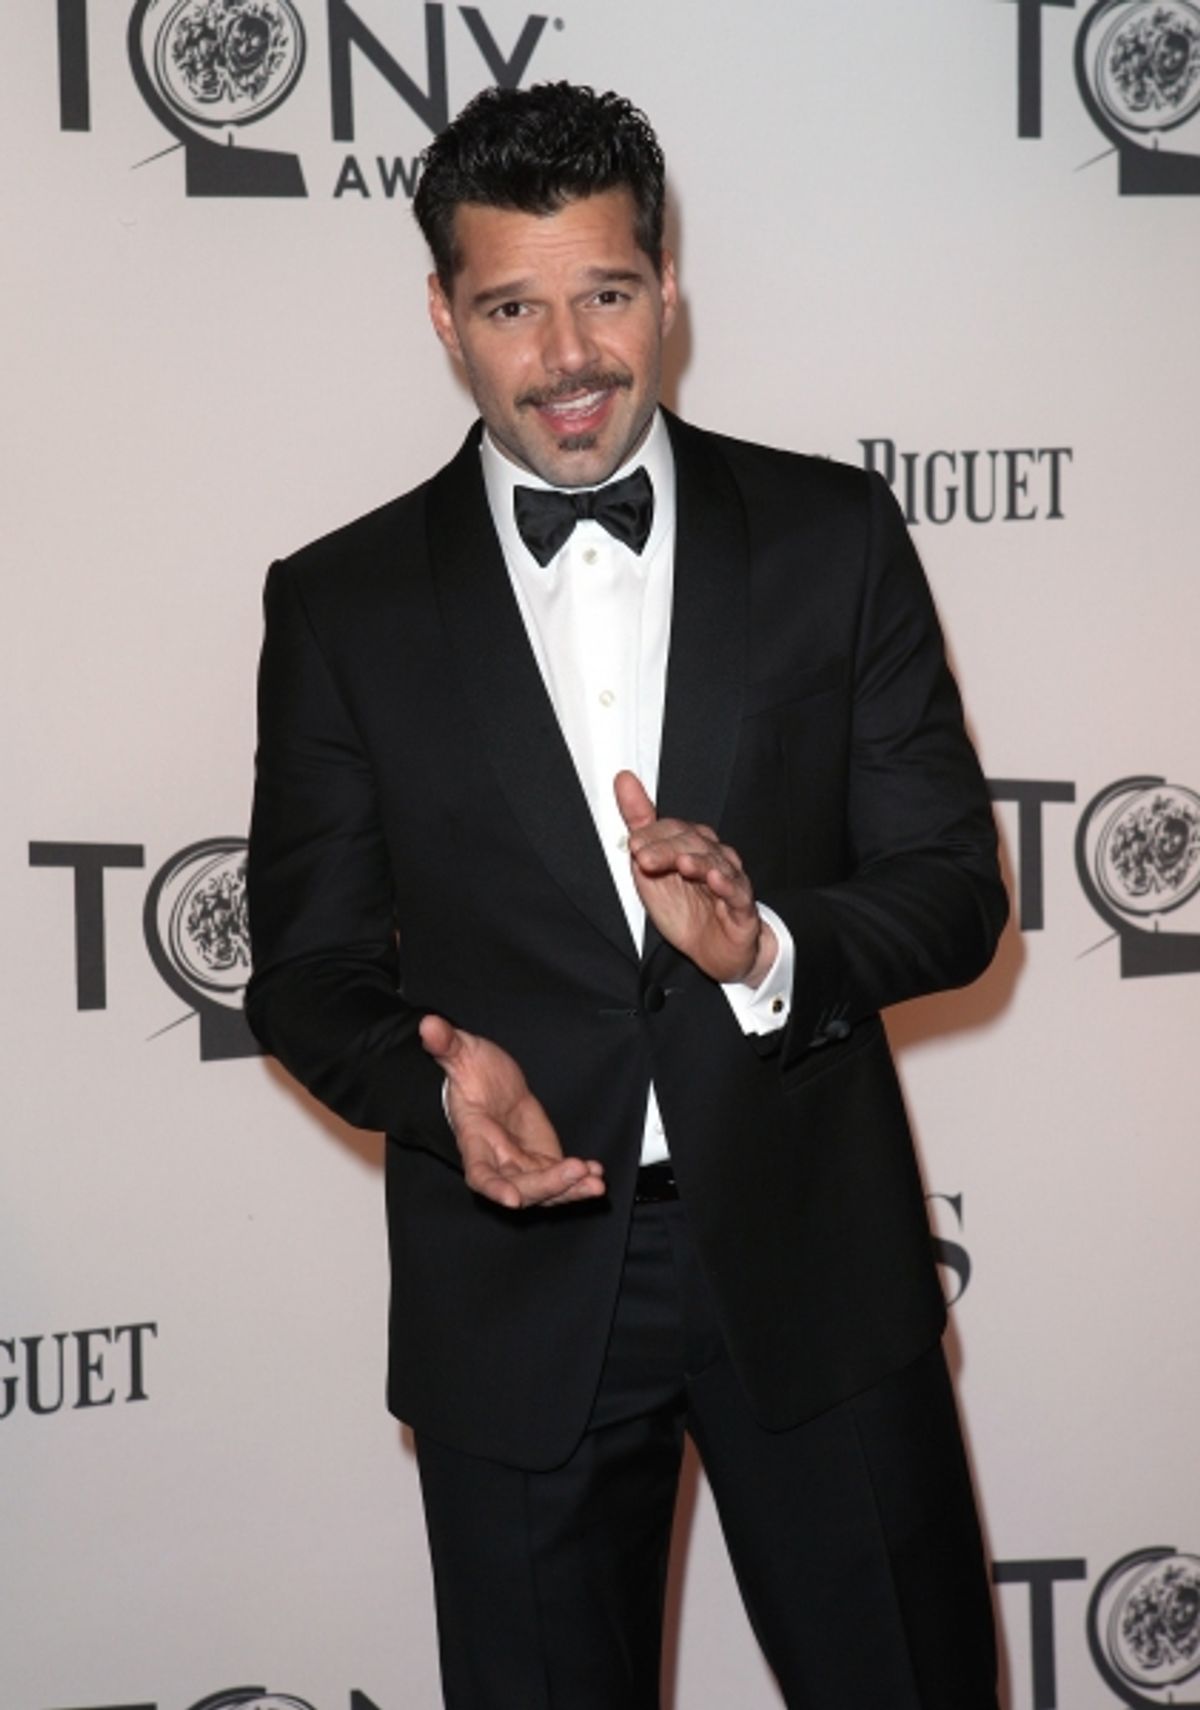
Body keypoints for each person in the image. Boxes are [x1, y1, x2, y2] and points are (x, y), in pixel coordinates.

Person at [246, 81, 1007, 1710]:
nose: (570, 353)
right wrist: (442, 1095)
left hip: (814, 1262)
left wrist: (773, 946)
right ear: (444, 315)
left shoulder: (832, 534)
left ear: (669, 289)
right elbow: (305, 971)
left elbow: (955, 889)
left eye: (604, 293)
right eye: (514, 305)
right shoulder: (340, 604)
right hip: (512, 1299)